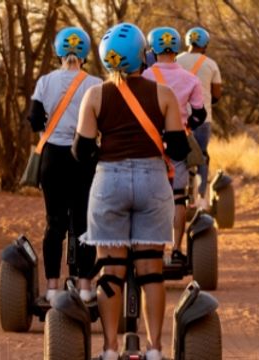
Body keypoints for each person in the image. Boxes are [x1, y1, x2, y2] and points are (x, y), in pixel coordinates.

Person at [74, 22, 189, 360]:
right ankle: (153, 350)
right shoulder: (163, 94)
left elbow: (82, 152)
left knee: (111, 270)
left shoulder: (95, 95)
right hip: (153, 180)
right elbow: (180, 149)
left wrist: (107, 152)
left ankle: (110, 349)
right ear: (143, 55)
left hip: (110, 180)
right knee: (150, 268)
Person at [28, 26, 104, 305]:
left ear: (58, 52)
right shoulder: (95, 83)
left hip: (52, 158)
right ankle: (85, 288)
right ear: (84, 54)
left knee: (55, 224)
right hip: (83, 158)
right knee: (84, 222)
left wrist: (47, 135)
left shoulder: (45, 82)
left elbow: (35, 118)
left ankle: (51, 288)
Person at [142, 27, 207, 265]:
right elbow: (200, 114)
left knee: (151, 200)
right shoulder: (191, 79)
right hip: (178, 141)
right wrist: (186, 125)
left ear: (152, 49)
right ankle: (177, 250)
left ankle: (154, 252)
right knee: (178, 198)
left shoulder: (145, 77)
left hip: (149, 143)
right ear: (177, 47)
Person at [176, 27, 223, 203]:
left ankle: (182, 194)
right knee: (202, 156)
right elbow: (217, 95)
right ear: (205, 44)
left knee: (180, 157)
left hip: (178, 119)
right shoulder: (211, 64)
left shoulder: (176, 61)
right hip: (203, 120)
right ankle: (201, 198)